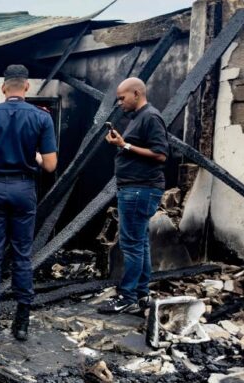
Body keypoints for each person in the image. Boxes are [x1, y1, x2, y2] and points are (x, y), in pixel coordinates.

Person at [0, 64, 58, 344]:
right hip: (24, 189)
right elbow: (50, 165)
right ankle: (21, 326)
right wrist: (34, 159)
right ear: (26, 87)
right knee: (22, 254)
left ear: (4, 87)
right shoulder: (42, 118)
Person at [98, 77, 169, 315]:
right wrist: (122, 143)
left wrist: (125, 146)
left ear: (136, 93)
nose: (119, 103)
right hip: (135, 188)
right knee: (139, 243)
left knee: (131, 244)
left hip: (140, 189)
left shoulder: (150, 117)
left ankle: (127, 296)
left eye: (122, 98)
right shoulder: (139, 117)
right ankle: (140, 295)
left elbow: (160, 154)